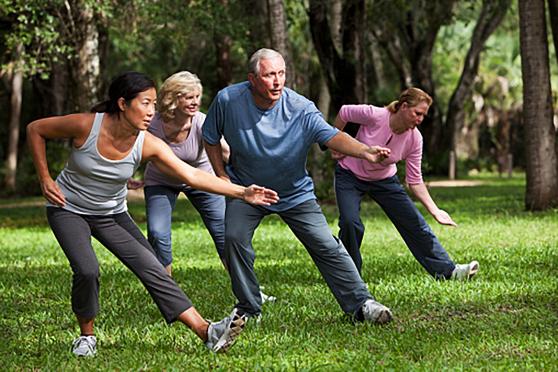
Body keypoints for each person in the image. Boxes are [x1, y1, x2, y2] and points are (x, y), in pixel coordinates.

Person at [26, 71, 279, 356]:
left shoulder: (147, 143)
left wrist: (242, 192)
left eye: (154, 104)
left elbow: (191, 175)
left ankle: (206, 332)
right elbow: (36, 129)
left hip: (111, 214)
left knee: (154, 269)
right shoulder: (87, 125)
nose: (151, 112)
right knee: (87, 269)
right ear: (123, 104)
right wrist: (45, 179)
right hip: (68, 209)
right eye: (145, 103)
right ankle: (86, 337)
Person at [202, 48, 393, 324]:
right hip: (248, 191)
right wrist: (221, 175)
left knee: (326, 244)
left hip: (294, 192)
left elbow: (330, 135)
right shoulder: (228, 100)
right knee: (233, 238)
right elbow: (210, 137)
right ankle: (249, 307)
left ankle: (361, 305)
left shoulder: (300, 107)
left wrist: (365, 152)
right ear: (252, 79)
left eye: (281, 74)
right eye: (269, 75)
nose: (277, 81)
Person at [138, 71, 275, 303]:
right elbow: (133, 150)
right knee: (158, 234)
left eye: (198, 96)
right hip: (161, 182)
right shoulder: (153, 124)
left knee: (225, 235)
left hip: (201, 180)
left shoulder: (201, 122)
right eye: (188, 97)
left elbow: (226, 152)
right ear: (173, 98)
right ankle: (169, 299)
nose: (195, 102)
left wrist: (255, 168)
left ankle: (252, 292)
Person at [332, 87, 479, 280]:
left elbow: (414, 180)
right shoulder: (376, 115)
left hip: (384, 181)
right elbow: (344, 112)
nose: (420, 119)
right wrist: (335, 142)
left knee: (415, 223)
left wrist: (435, 211)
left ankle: (449, 272)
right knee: (351, 223)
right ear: (403, 106)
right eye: (417, 113)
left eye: (423, 116)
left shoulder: (415, 139)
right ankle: (350, 277)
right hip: (349, 175)